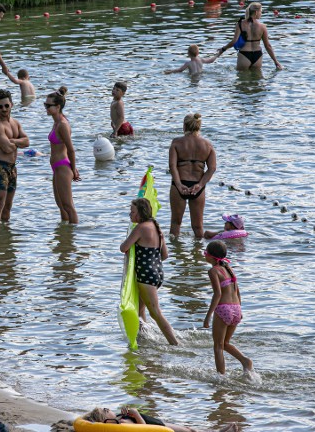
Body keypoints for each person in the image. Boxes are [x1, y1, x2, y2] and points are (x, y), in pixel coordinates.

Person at [120, 198, 178, 345]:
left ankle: (175, 344)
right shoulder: (156, 227)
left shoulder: (140, 228)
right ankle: (144, 339)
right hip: (157, 273)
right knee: (140, 310)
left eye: (132, 212)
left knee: (155, 312)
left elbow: (123, 247)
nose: (130, 214)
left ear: (140, 213)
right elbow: (164, 255)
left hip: (146, 276)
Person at [203, 240, 253, 375]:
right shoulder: (229, 269)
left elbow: (217, 294)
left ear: (211, 257)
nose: (204, 255)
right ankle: (245, 360)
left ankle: (221, 376)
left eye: (205, 253)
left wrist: (208, 317)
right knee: (225, 343)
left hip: (223, 308)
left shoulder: (213, 271)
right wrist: (240, 309)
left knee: (218, 346)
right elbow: (237, 291)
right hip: (236, 308)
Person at [0, 89, 29, 226]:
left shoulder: (15, 123)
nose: (3, 109)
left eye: (6, 105)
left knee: (8, 206)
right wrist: (17, 142)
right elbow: (7, 148)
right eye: (0, 106)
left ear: (11, 105)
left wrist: (12, 141)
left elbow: (27, 141)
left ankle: (5, 237)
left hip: (12, 167)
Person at [168, 113, 216, 239]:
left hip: (179, 185)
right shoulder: (208, 145)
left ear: (184, 126)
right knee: (198, 227)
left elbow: (172, 166)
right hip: (197, 187)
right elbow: (212, 168)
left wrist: (178, 184)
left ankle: (175, 252)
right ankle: (199, 255)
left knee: (175, 223)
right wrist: (200, 185)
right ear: (199, 126)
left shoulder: (176, 143)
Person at [46, 86, 79, 223]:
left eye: (49, 105)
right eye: (45, 104)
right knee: (61, 206)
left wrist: (73, 169)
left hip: (63, 167)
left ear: (58, 106)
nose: (46, 108)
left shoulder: (62, 125)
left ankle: (74, 236)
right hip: (56, 168)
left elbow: (71, 149)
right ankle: (65, 238)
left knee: (68, 206)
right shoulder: (57, 122)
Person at [217, 2, 282, 71]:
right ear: (256, 12)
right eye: (261, 12)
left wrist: (223, 49)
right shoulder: (262, 27)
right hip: (257, 55)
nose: (261, 14)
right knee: (256, 80)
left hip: (244, 55)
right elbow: (268, 46)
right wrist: (275, 61)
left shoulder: (240, 24)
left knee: (242, 80)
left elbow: (234, 41)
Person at [82, 407, 239, 432]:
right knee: (190, 431)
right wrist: (135, 414)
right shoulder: (121, 423)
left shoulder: (118, 420)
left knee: (189, 430)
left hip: (157, 424)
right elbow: (143, 430)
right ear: (103, 419)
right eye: (106, 411)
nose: (109, 410)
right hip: (158, 428)